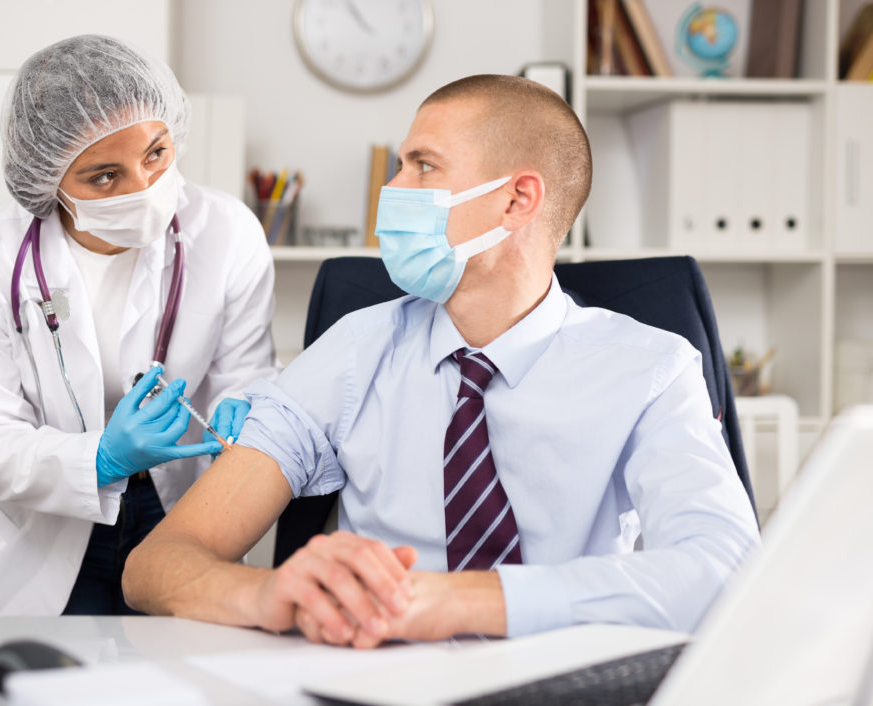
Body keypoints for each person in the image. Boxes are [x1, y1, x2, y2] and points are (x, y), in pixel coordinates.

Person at [122, 74, 760, 647]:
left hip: (562, 677)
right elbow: (156, 566)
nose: (392, 189)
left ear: (517, 201)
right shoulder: (354, 350)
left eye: (422, 166)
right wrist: (267, 594)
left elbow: (726, 566)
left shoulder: (650, 368)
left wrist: (458, 602)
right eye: (399, 165)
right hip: (380, 680)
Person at [0, 35, 279, 616]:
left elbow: (246, 378)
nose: (143, 187)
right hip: (54, 521)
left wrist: (248, 414)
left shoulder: (229, 231)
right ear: (46, 178)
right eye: (103, 176)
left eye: (156, 153)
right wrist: (99, 460)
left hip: (182, 511)